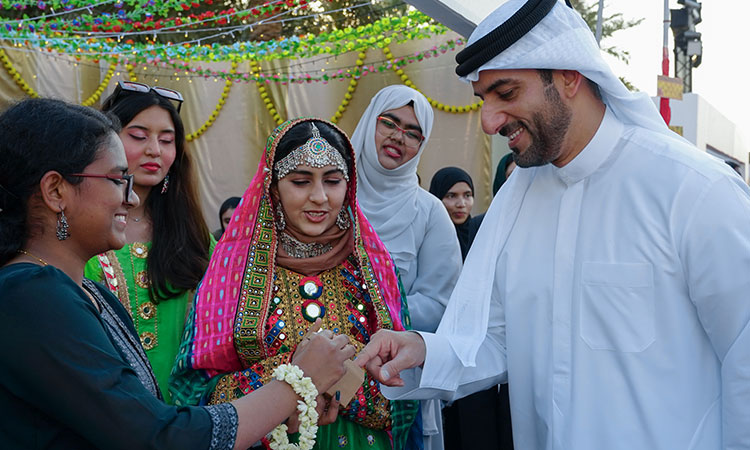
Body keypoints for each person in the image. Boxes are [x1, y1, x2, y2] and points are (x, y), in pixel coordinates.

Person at [355, 1, 750, 449]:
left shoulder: (693, 192)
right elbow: (501, 340)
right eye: (484, 101)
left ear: (568, 76)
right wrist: (424, 352)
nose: (489, 121)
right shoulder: (519, 201)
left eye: (506, 93)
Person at [0, 98, 354, 449]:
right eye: (115, 179)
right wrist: (296, 382)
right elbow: (155, 437)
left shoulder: (87, 290)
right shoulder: (29, 296)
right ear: (56, 190)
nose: (132, 198)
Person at [169, 118, 420, 450]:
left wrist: (341, 379)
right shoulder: (231, 272)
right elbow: (196, 393)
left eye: (332, 181)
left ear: (349, 186)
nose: (319, 197)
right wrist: (297, 380)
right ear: (273, 187)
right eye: (301, 181)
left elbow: (404, 399)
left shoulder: (372, 266)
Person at [83, 81, 213, 403]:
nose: (154, 149)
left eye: (166, 140)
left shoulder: (195, 236)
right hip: (103, 408)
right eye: (139, 136)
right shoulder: (80, 229)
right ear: (106, 144)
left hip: (185, 415)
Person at [351, 85, 462, 449]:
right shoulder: (333, 194)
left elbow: (440, 303)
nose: (398, 137)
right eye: (390, 122)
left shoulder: (429, 213)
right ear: (371, 121)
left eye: (413, 132)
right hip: (326, 371)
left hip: (394, 383)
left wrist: (362, 317)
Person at [428, 167, 513, 450]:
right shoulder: (432, 239)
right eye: (451, 196)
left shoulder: (483, 232)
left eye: (467, 195)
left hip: (485, 353)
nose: (460, 203)